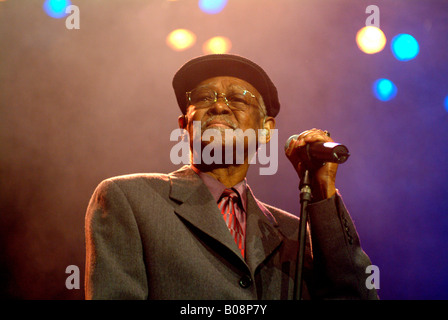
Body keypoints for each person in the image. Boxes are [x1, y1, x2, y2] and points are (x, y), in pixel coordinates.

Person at [84, 54, 378, 300]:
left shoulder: (293, 234)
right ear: (184, 124)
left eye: (239, 99)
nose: (219, 106)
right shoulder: (130, 199)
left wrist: (321, 191)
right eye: (203, 97)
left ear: (266, 129)